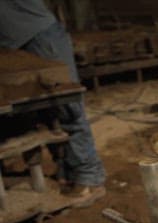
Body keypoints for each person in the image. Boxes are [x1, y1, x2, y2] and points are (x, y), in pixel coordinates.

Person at [0, 0, 106, 207]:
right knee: (44, 116)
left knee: (68, 107)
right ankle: (66, 171)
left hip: (38, 36)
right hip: (12, 44)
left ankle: (89, 178)